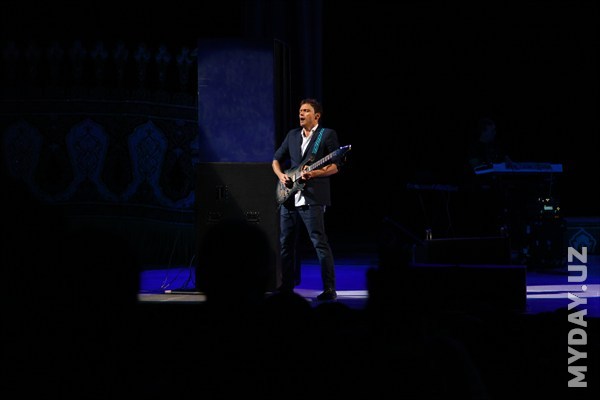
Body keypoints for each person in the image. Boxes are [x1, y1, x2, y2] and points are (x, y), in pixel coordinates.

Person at [272, 98, 342, 301]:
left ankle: (329, 288)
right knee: (286, 243)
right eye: (300, 110)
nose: (301, 113)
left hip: (312, 196)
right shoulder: (292, 135)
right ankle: (286, 286)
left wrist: (315, 173)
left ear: (316, 116)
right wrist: (281, 176)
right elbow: (276, 160)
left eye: (306, 111)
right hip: (289, 197)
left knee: (319, 242)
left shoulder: (326, 135)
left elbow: (336, 165)